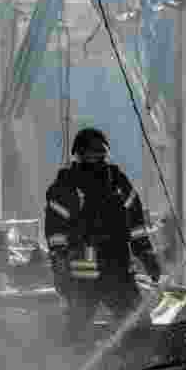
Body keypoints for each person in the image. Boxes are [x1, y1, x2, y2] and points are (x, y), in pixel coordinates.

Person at [44, 127, 162, 352]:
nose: (97, 158)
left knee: (139, 324)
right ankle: (69, 366)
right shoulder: (67, 185)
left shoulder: (116, 181)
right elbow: (55, 231)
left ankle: (141, 362)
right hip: (84, 274)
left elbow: (136, 223)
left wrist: (146, 255)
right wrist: (59, 265)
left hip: (117, 269)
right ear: (79, 155)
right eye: (91, 153)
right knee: (78, 331)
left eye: (100, 153)